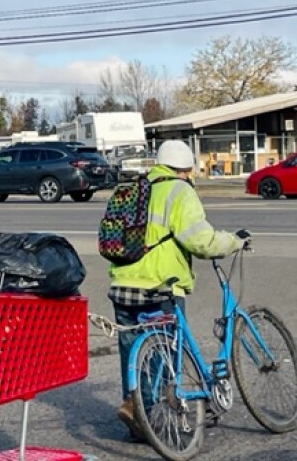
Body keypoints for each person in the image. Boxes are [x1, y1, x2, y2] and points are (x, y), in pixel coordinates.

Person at [109, 139, 250, 441]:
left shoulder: (133, 189)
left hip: (122, 284)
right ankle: (157, 419)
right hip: (159, 286)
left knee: (134, 354)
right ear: (185, 169)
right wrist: (234, 242)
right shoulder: (178, 190)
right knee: (163, 357)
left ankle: (137, 412)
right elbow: (200, 240)